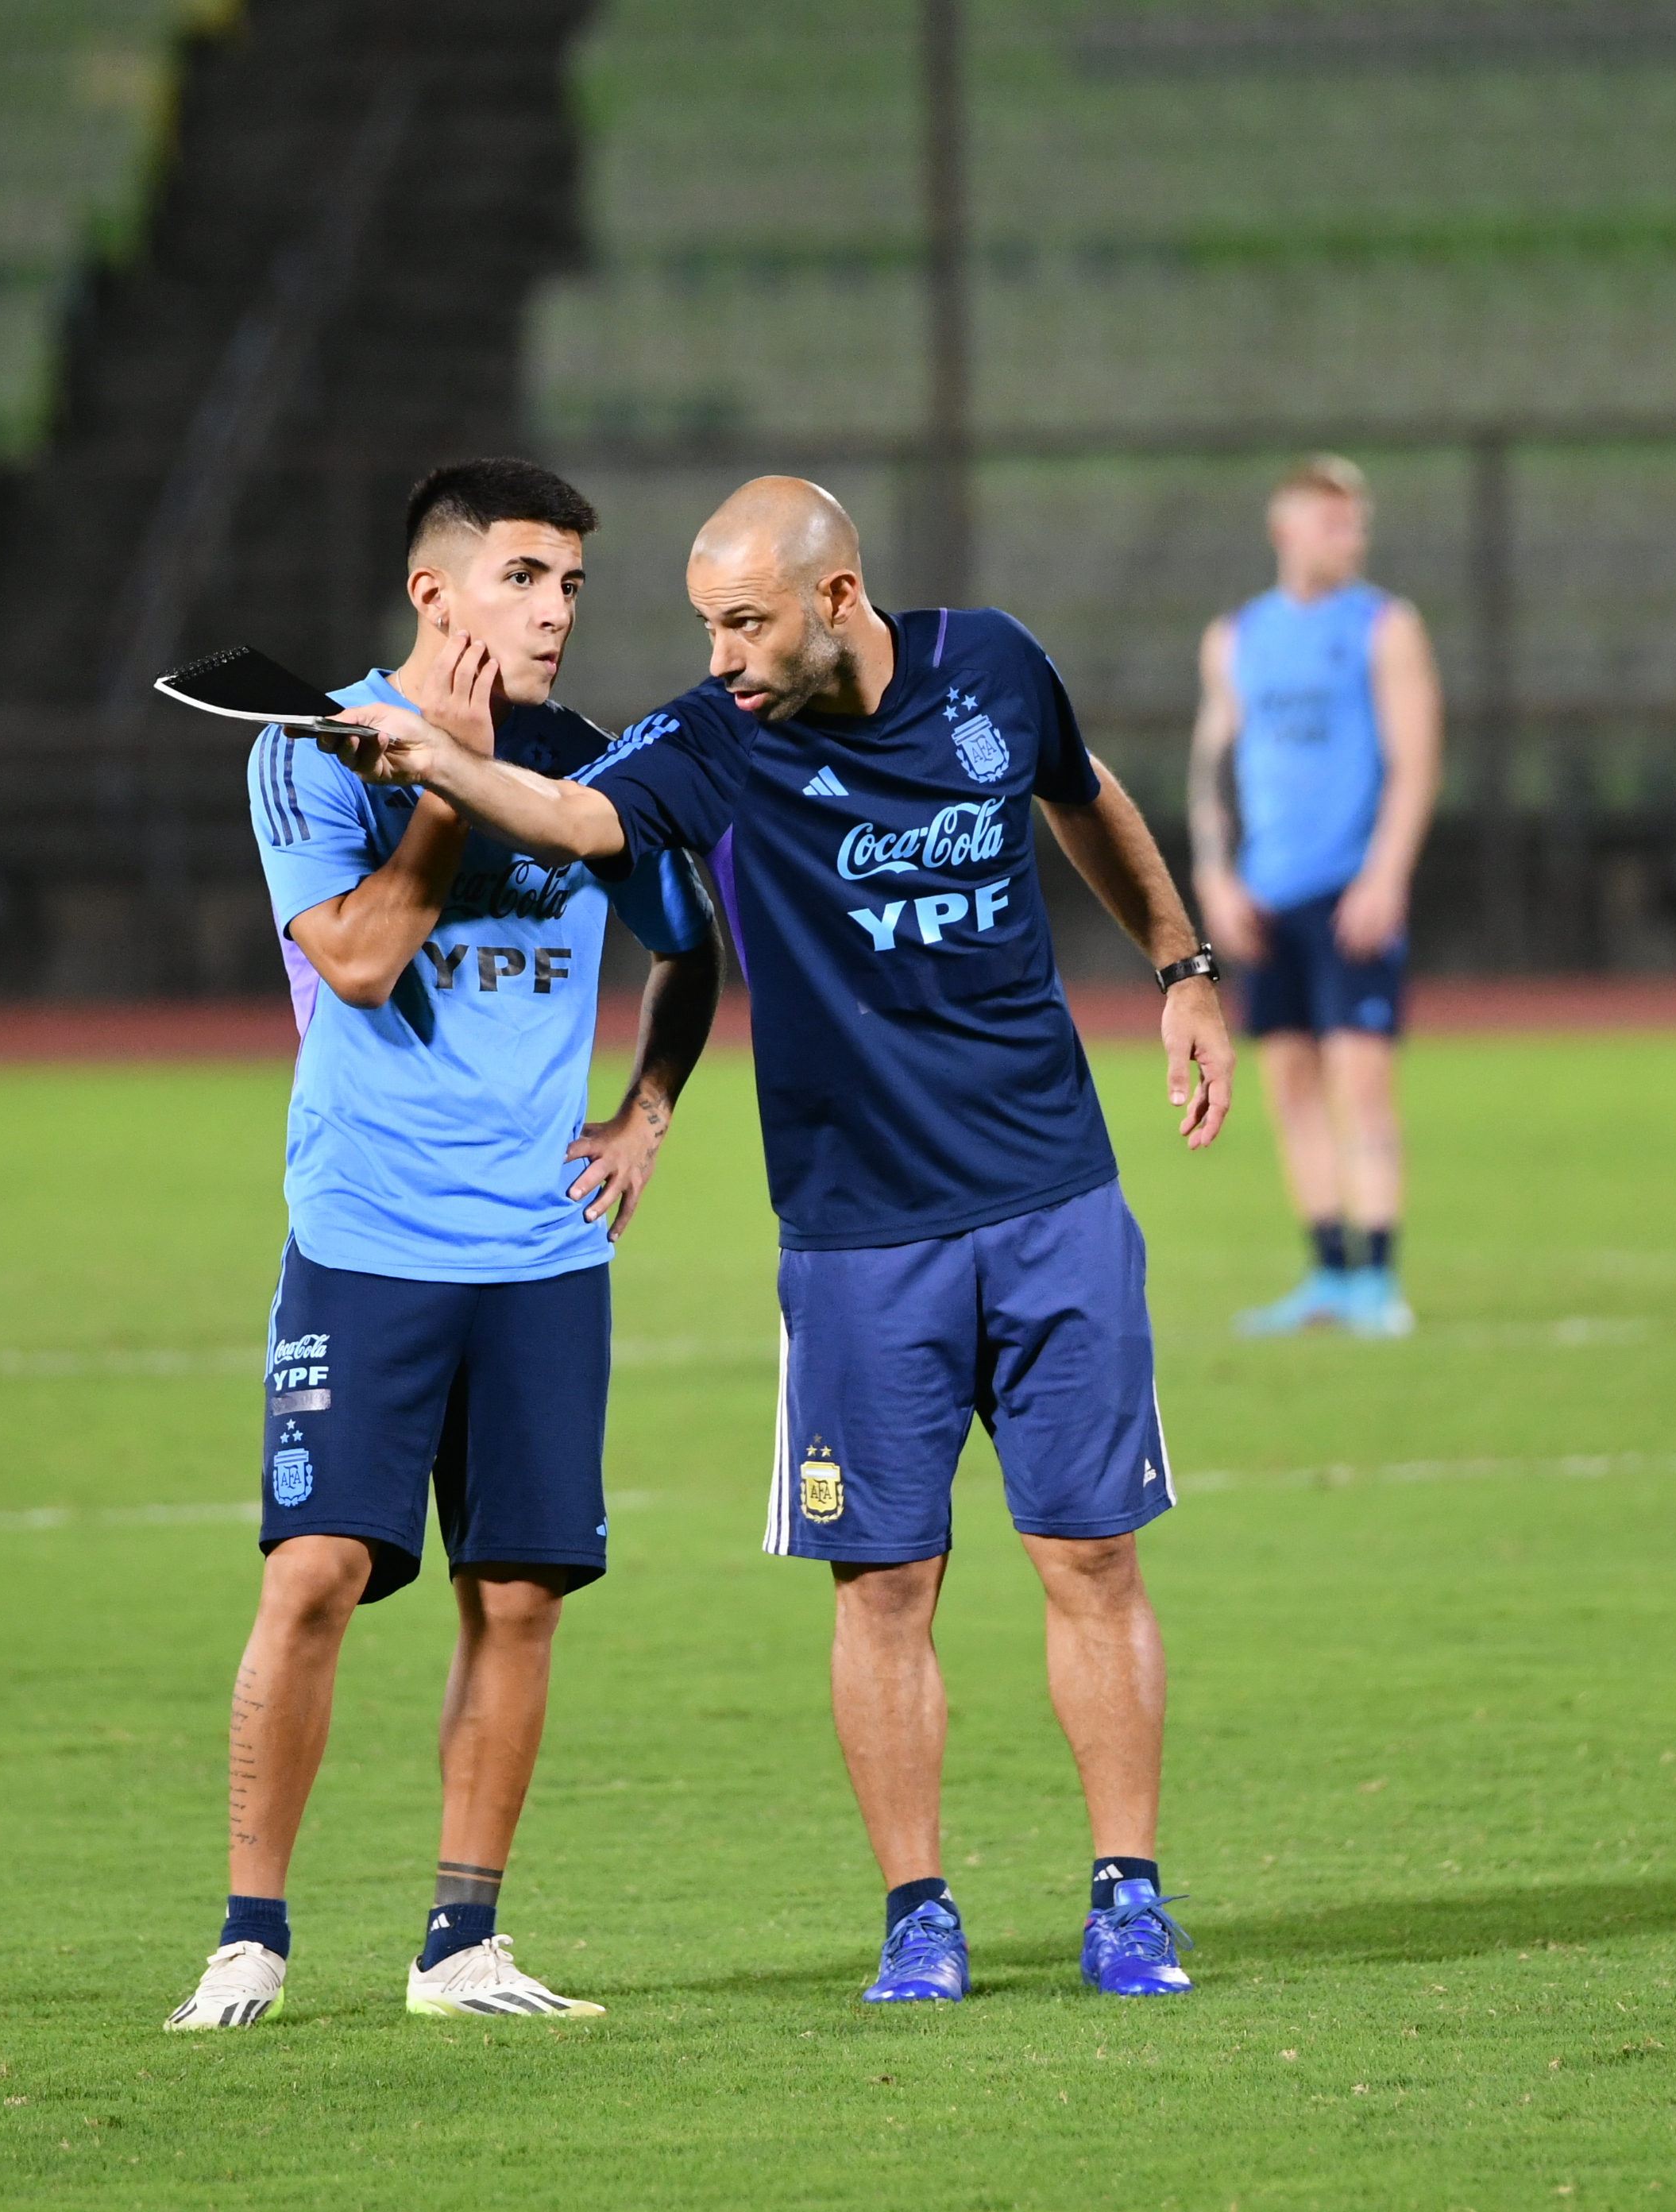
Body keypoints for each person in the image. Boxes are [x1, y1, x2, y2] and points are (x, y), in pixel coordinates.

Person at [329, 477, 1236, 2008]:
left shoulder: (995, 665)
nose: (721, 654)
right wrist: (441, 761)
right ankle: (918, 1913)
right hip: (856, 1236)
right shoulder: (719, 735)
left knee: (1092, 1554)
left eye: (745, 622)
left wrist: (1181, 963)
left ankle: (1128, 1896)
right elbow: (580, 814)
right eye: (706, 623)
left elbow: (1081, 792)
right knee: (882, 1582)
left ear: (837, 599)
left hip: (1052, 1198)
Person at [163, 458, 721, 2032]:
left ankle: (460, 1944)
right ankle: (250, 1939)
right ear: (436, 590)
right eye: (525, 578)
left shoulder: (592, 766)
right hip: (367, 1236)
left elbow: (691, 942)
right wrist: (443, 785)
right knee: (315, 1575)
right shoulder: (311, 749)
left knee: (521, 1598)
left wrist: (647, 1111)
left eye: (571, 585)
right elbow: (354, 959)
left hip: (543, 1248)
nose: (555, 612)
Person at [1187, 454, 1442, 1340]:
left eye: (1356, 521)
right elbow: (1214, 764)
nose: (1350, 536)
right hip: (1267, 897)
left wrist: (1385, 875)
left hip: (1348, 890)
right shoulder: (1236, 637)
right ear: (1284, 528)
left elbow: (1414, 763)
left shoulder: (1384, 627)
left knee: (1361, 1082)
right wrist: (1215, 875)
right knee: (1290, 1085)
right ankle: (1327, 1271)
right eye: (1332, 520)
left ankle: (1379, 1278)